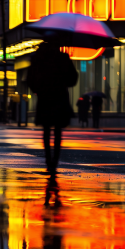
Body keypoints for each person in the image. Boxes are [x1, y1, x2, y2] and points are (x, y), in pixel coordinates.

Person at [27, 41, 78, 178]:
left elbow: (30, 79)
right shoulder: (63, 58)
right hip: (59, 97)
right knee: (57, 130)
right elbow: (73, 79)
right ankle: (54, 161)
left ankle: (48, 159)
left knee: (46, 129)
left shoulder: (38, 58)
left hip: (45, 97)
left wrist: (38, 90)